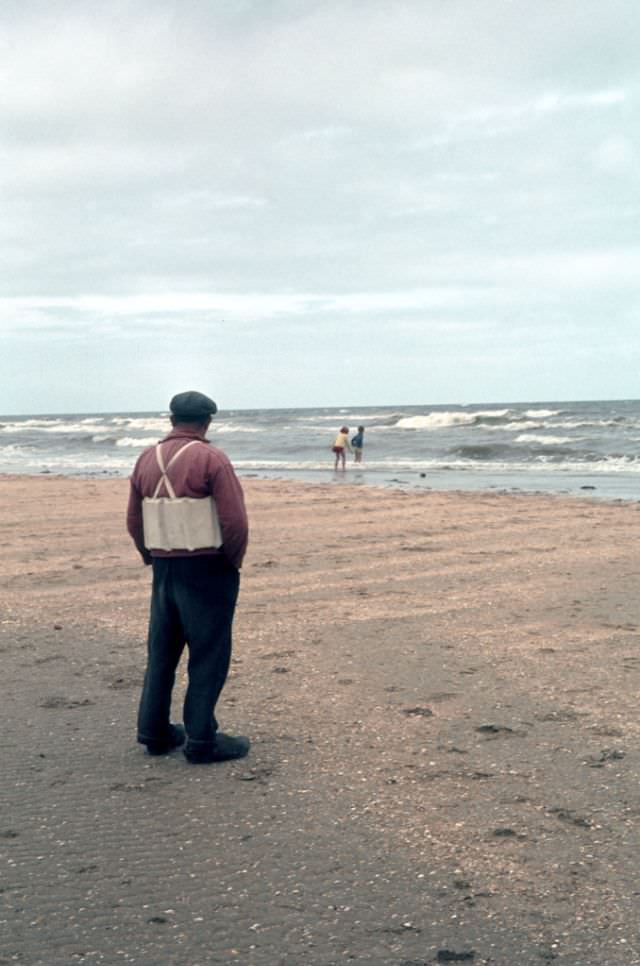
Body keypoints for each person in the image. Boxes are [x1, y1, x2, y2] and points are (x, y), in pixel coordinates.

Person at [126, 390, 250, 765]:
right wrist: (232, 561)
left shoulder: (147, 458)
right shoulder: (211, 458)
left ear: (171, 419)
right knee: (209, 653)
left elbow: (134, 520)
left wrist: (151, 556)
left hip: (164, 566)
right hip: (207, 565)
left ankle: (155, 732)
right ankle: (201, 740)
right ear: (207, 421)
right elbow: (234, 521)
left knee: (162, 651)